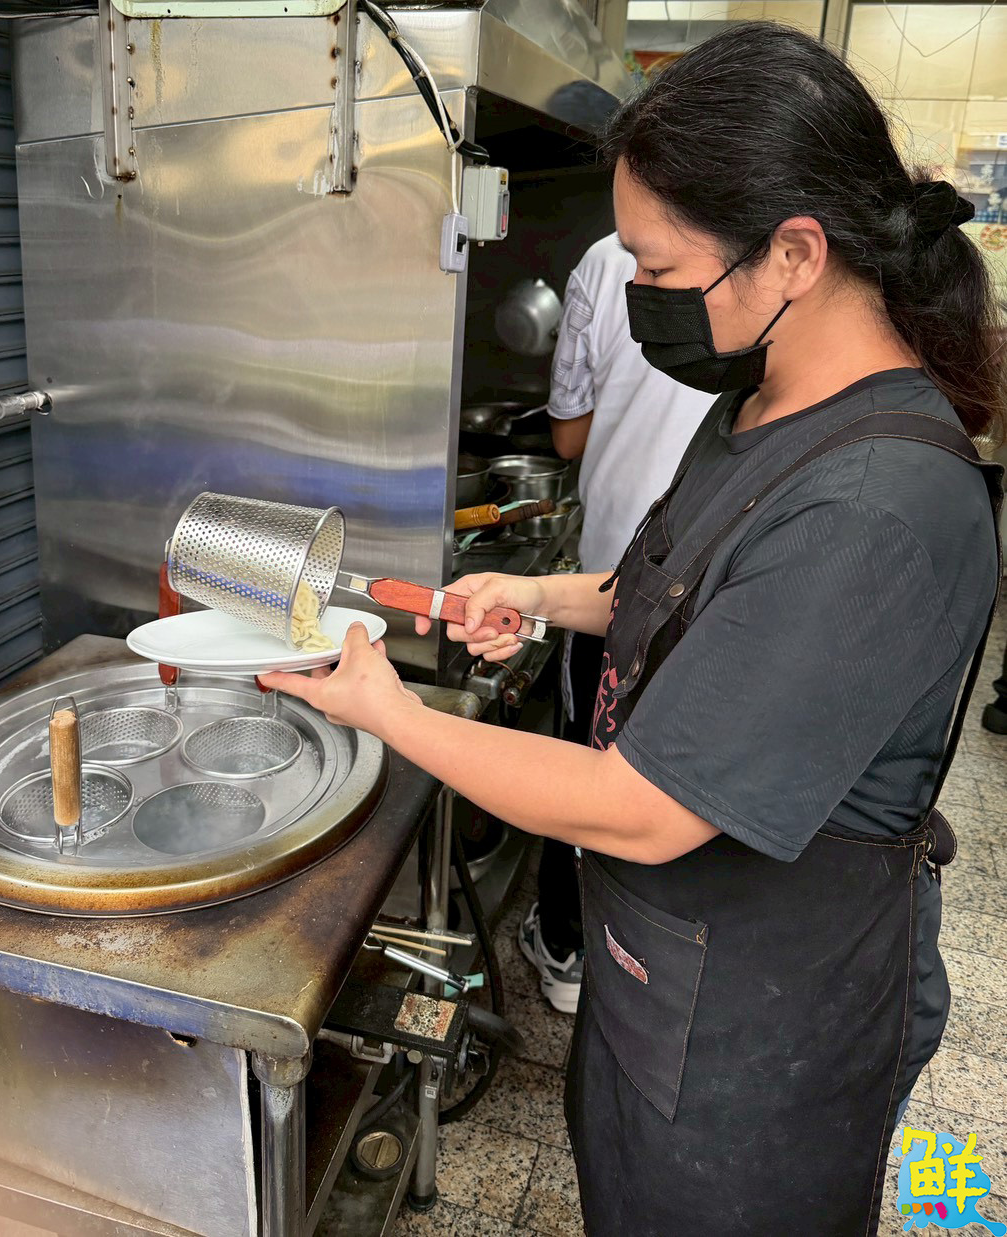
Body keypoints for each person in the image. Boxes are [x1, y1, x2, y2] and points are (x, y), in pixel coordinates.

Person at [264, 23, 1004, 1235]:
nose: (644, 299)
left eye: (659, 272)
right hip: (672, 966)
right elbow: (681, 579)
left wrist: (391, 711)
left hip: (771, 1025)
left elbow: (644, 804)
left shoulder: (877, 506)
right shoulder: (766, 401)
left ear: (794, 255)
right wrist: (544, 595)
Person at [521, 233, 712, 1014]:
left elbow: (567, 435)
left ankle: (569, 946)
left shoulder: (601, 261)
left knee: (592, 763)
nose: (644, 278)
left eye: (656, 271)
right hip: (685, 582)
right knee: (672, 773)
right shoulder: (761, 265)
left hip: (622, 565)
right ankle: (648, 958)